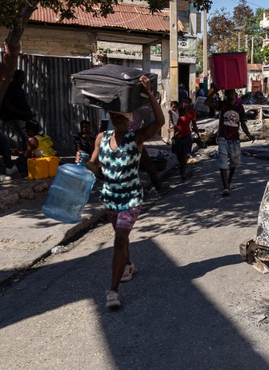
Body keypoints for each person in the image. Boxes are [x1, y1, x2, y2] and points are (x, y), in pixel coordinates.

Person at [78, 75, 165, 310]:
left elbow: (160, 121)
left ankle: (112, 290)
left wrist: (149, 93)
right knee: (121, 237)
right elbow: (94, 167)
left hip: (131, 198)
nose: (119, 120)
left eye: (123, 116)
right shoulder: (101, 138)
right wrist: (83, 161)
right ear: (110, 118)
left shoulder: (136, 138)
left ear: (130, 118)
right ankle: (127, 265)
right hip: (110, 197)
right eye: (115, 116)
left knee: (119, 239)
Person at [208, 90, 253, 196]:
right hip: (223, 138)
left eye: (231, 94)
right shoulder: (222, 105)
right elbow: (207, 103)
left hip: (235, 139)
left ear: (235, 95)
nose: (229, 96)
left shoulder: (240, 108)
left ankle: (229, 181)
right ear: (225, 96)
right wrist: (214, 90)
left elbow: (242, 124)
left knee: (235, 162)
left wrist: (249, 134)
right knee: (222, 161)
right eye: (228, 94)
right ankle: (225, 187)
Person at [1, 70, 34, 150]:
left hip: (24, 117)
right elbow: (7, 104)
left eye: (24, 78)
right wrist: (21, 112)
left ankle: (26, 154)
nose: (23, 80)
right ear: (16, 78)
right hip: (18, 117)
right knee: (27, 138)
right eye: (21, 78)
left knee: (26, 138)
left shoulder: (19, 89)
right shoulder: (12, 87)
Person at [173, 98, 198, 181]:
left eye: (186, 102)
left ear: (189, 104)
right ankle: (182, 166)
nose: (184, 104)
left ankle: (182, 173)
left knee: (183, 155)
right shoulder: (178, 111)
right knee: (177, 154)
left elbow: (194, 126)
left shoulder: (192, 113)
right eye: (183, 102)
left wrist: (198, 136)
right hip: (176, 136)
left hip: (186, 136)